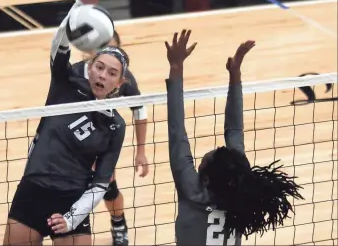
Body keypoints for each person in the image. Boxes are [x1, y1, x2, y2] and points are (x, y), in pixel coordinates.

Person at [3, 0, 129, 246]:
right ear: (89, 67)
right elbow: (58, 45)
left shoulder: (116, 124)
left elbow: (100, 184)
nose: (103, 75)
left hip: (73, 199)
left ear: (120, 81)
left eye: (111, 72)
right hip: (34, 191)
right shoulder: (66, 83)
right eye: (99, 67)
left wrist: (71, 219)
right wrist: (78, 8)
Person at [164, 29, 304, 245]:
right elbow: (234, 131)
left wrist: (176, 67)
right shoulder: (237, 183)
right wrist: (235, 75)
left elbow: (177, 129)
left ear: (206, 178)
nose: (213, 150)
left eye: (208, 158)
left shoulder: (192, 189)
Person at [71, 29, 149, 246]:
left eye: (115, 50)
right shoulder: (75, 74)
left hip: (102, 140)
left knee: (107, 187)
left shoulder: (124, 80)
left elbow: (140, 110)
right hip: (71, 139)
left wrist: (140, 151)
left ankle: (118, 222)